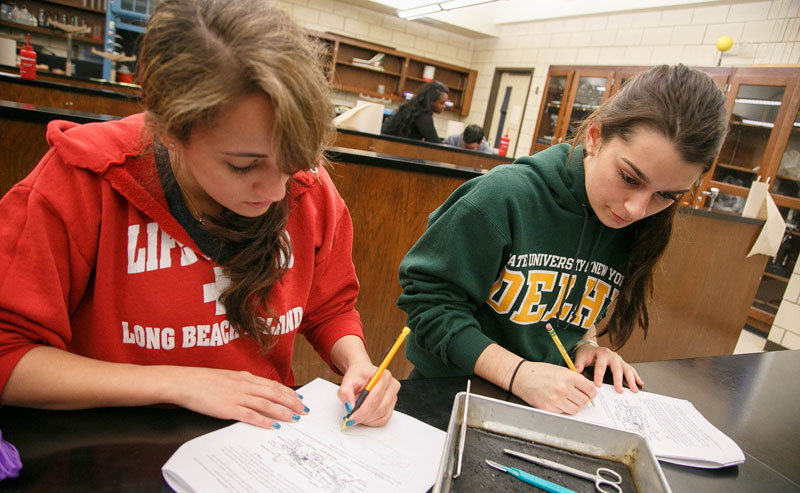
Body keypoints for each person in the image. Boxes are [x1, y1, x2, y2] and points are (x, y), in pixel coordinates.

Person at [0, 0, 399, 430]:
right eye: (244, 166)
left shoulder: (308, 186)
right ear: (171, 129)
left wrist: (358, 361)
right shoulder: (84, 180)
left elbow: (329, 307)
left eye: (293, 161)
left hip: (259, 443)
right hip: (110, 449)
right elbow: (9, 356)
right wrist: (178, 383)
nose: (277, 190)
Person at [397, 64, 728, 414]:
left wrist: (585, 342)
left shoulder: (634, 222)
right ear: (595, 137)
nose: (636, 208)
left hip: (539, 406)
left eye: (667, 196)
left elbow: (565, 304)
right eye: (629, 178)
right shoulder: (503, 197)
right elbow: (430, 305)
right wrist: (518, 374)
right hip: (449, 397)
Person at [381, 80, 449, 143]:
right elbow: (434, 142)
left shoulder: (413, 107)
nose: (444, 106)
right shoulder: (423, 115)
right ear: (431, 102)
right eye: (442, 103)